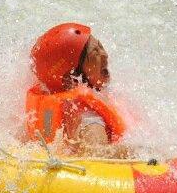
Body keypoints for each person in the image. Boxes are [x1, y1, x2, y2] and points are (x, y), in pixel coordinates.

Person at [24, 23, 130, 156]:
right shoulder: (87, 116)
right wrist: (139, 152)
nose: (105, 55)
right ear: (72, 77)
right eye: (95, 52)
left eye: (101, 46)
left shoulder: (51, 103)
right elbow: (95, 153)